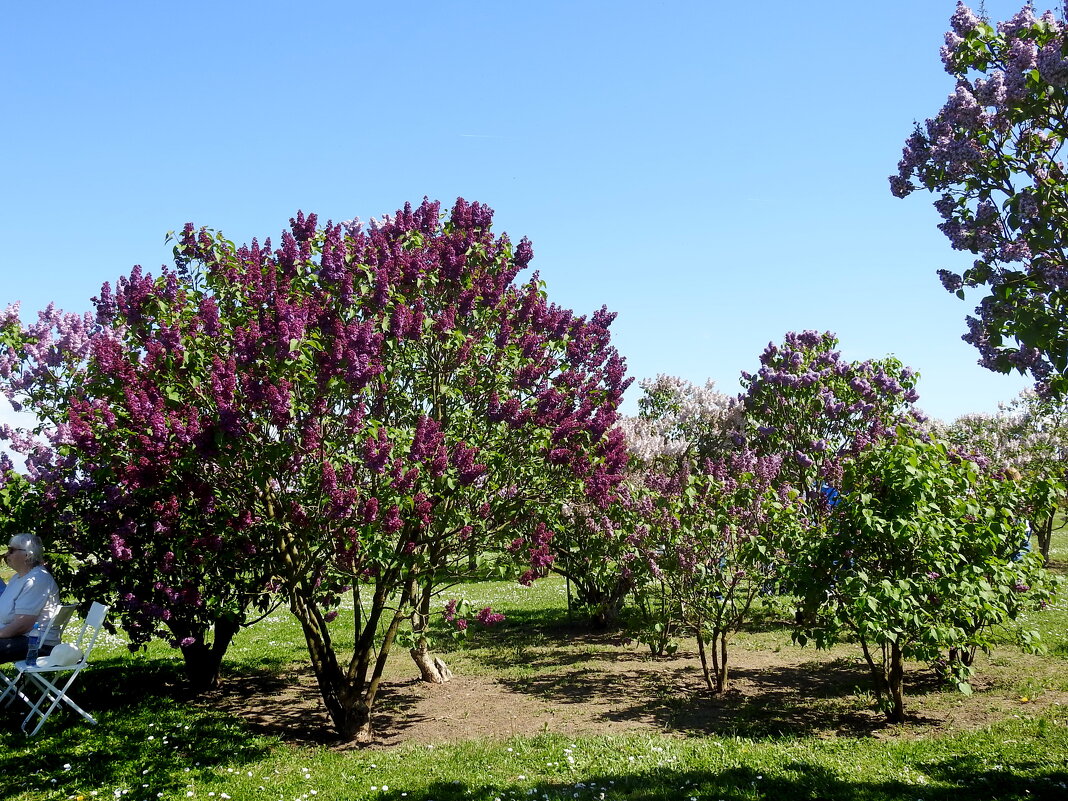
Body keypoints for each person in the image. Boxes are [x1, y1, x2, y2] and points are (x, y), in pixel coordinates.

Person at [0, 533, 60, 663]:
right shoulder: (17, 578)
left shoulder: (37, 580)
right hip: (18, 637)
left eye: (11, 550)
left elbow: (22, 625)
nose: (6, 554)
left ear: (27, 555)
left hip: (37, 643)